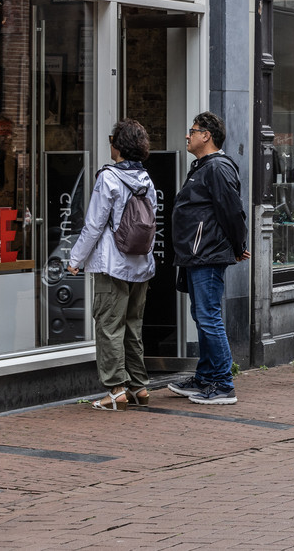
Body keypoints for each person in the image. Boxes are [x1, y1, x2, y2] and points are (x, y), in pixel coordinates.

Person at [66, 119, 157, 410]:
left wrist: (75, 260)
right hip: (141, 264)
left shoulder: (109, 178)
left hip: (112, 264)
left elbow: (93, 225)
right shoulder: (146, 180)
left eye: (111, 139)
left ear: (118, 145)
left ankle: (116, 389)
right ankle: (139, 386)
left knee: (108, 325)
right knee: (133, 326)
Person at [167, 112, 249, 405]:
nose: (187, 136)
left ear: (207, 136)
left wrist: (239, 244)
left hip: (207, 253)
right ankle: (205, 377)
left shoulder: (217, 168)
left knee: (209, 317)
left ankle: (224, 384)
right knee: (202, 316)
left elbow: (232, 210)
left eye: (193, 130)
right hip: (196, 254)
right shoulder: (203, 166)